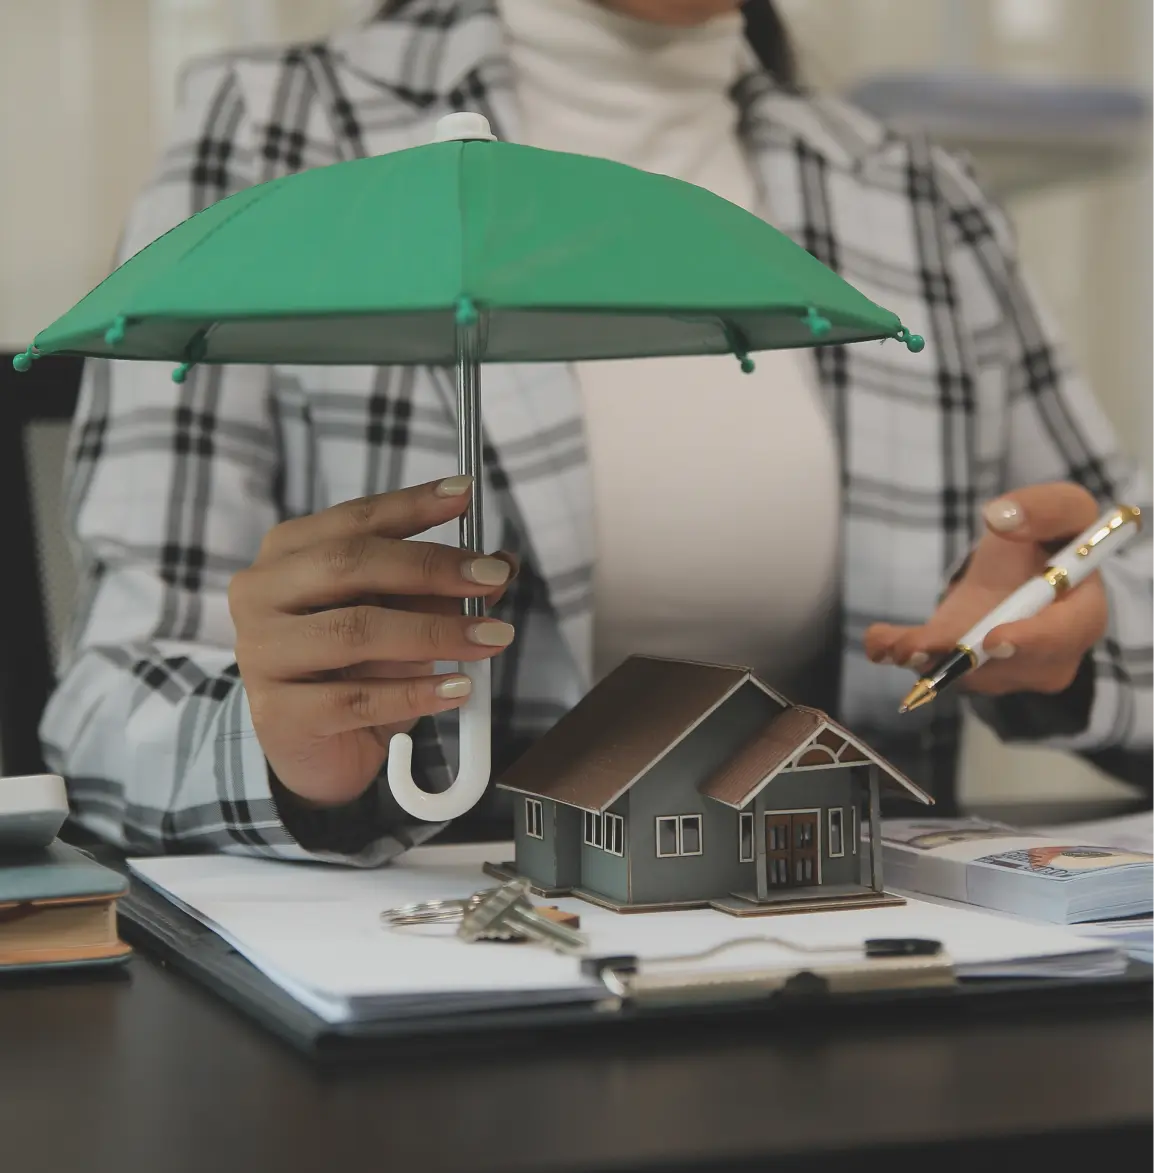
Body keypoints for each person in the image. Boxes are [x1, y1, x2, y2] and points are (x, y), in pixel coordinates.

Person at [40, 0, 1154, 865]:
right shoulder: (278, 126)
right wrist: (284, 749)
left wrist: (1069, 647)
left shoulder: (920, 200)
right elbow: (102, 716)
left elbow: (1112, 563)